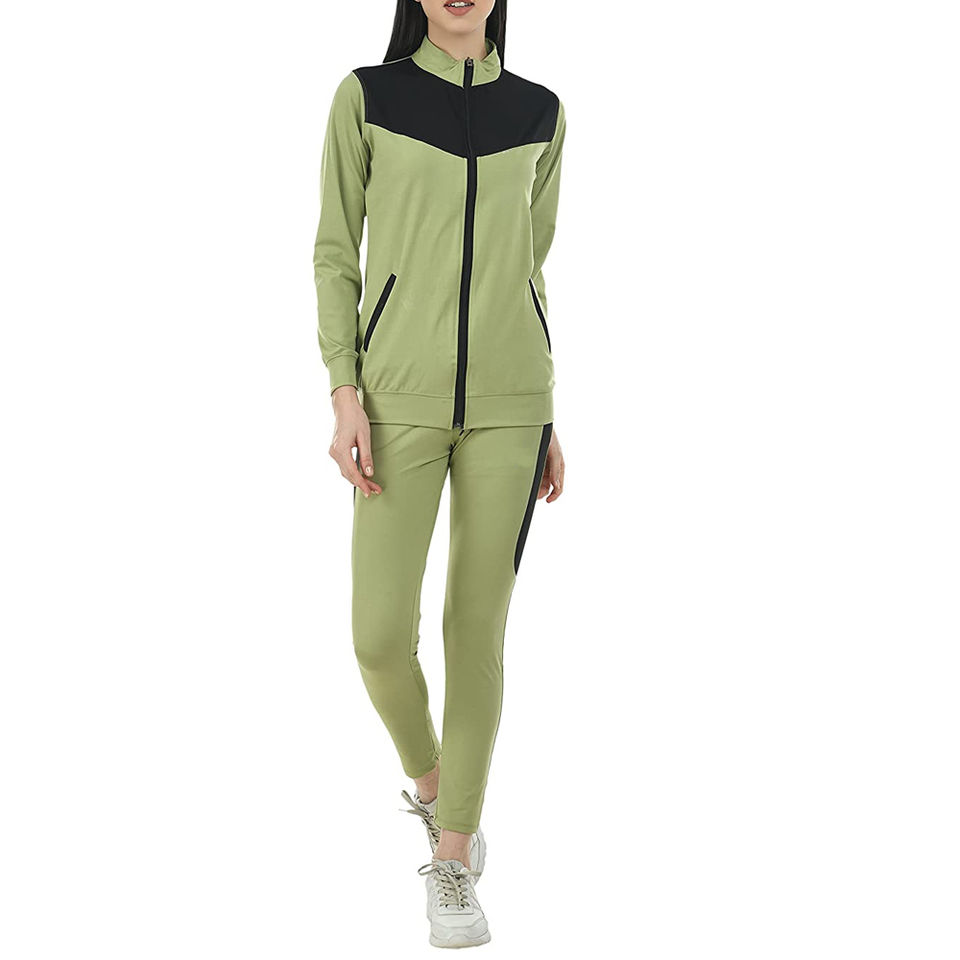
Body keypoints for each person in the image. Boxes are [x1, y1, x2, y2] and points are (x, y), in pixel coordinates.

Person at [313, 0, 565, 947]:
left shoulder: (539, 111)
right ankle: (434, 783)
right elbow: (335, 253)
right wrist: (346, 391)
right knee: (379, 635)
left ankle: (453, 856)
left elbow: (528, 265)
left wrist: (546, 412)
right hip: (395, 402)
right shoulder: (367, 98)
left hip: (512, 404)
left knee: (475, 631)